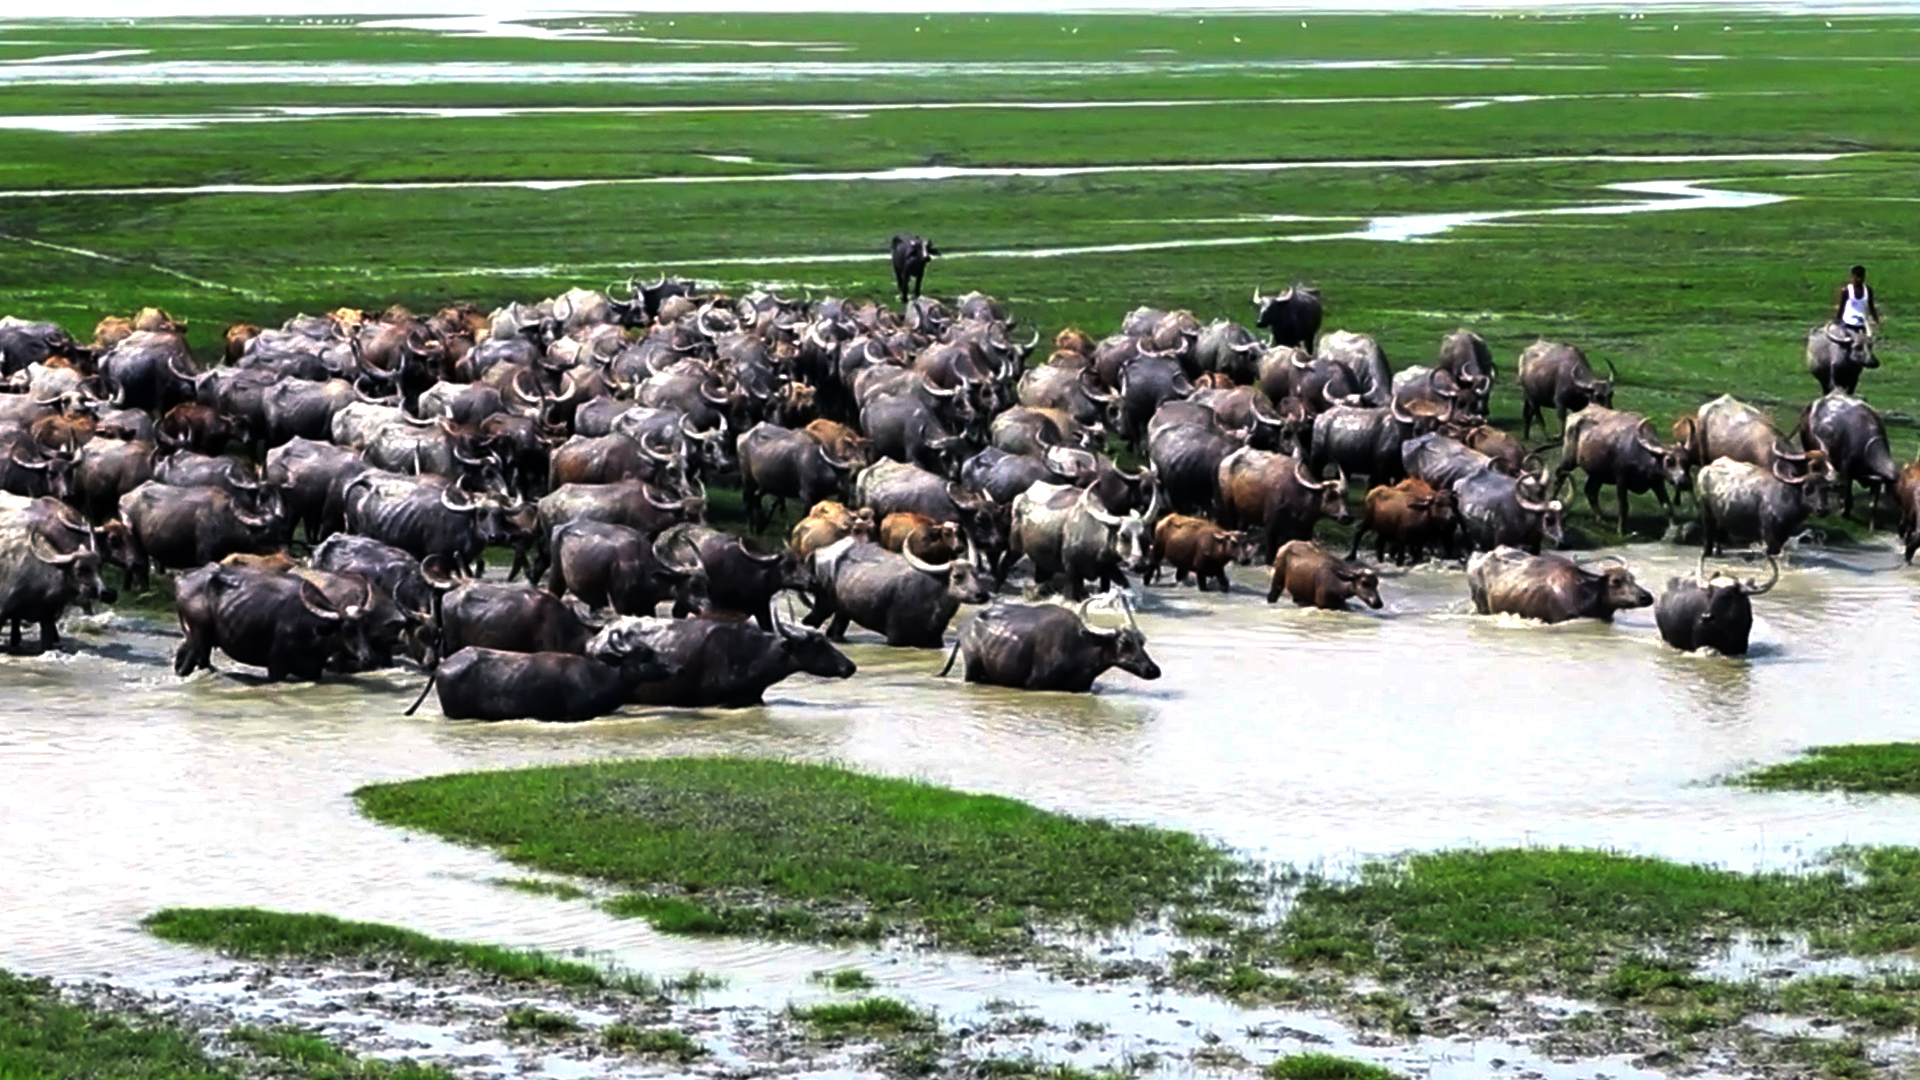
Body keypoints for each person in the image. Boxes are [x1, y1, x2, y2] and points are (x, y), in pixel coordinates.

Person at [1833, 264, 1881, 340]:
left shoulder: (1868, 290)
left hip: (1861, 324)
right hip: (1847, 323)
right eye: (1857, 277)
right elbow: (1841, 308)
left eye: (1861, 277)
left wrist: (1876, 320)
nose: (1859, 279)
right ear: (1852, 277)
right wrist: (1837, 321)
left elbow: (1871, 306)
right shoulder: (1846, 291)